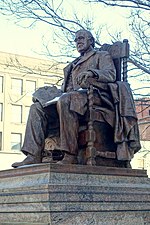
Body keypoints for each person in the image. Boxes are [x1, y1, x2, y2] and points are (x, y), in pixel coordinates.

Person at [12, 29, 139, 168]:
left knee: (66, 100)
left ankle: (70, 155)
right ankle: (33, 155)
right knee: (37, 108)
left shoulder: (101, 55)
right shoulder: (73, 64)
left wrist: (92, 72)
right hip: (71, 98)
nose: (78, 41)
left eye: (81, 38)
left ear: (91, 40)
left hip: (95, 98)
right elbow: (65, 89)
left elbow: (110, 74)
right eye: (76, 39)